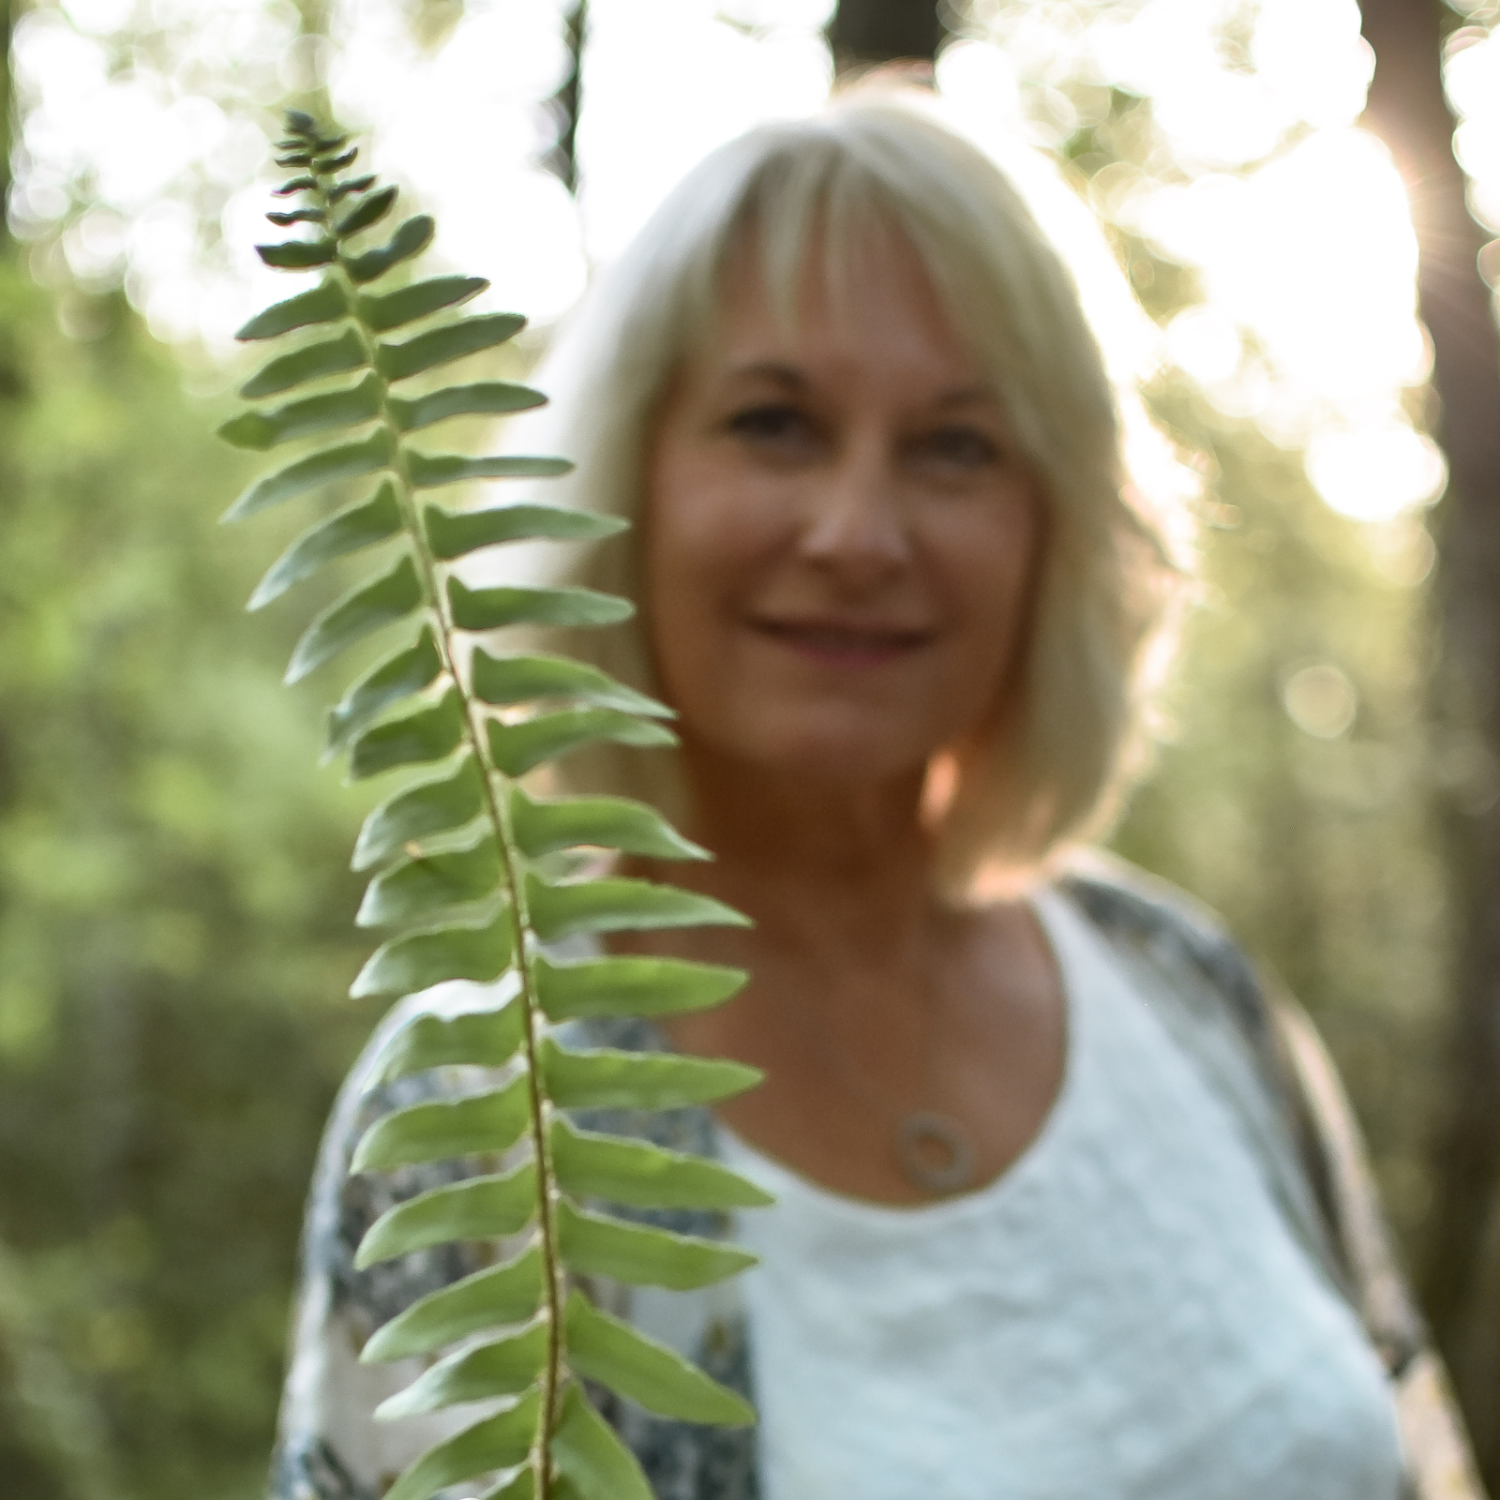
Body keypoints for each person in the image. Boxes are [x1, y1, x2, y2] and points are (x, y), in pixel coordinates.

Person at [269, 90, 1484, 1500]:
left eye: (957, 445)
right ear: (619, 483)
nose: (858, 533)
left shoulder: (1188, 989)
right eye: (775, 423)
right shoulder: (484, 1104)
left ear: (1058, 528)